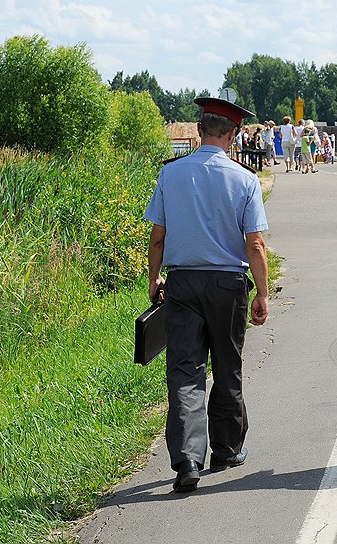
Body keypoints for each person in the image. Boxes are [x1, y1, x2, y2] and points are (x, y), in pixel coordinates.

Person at [144, 96, 270, 493]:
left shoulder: (171, 175)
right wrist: (262, 293)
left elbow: (158, 237)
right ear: (233, 135)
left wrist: (154, 280)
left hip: (182, 283)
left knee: (185, 370)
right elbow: (255, 245)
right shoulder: (245, 179)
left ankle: (187, 460)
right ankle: (227, 448)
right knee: (227, 363)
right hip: (228, 285)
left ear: (199, 131)